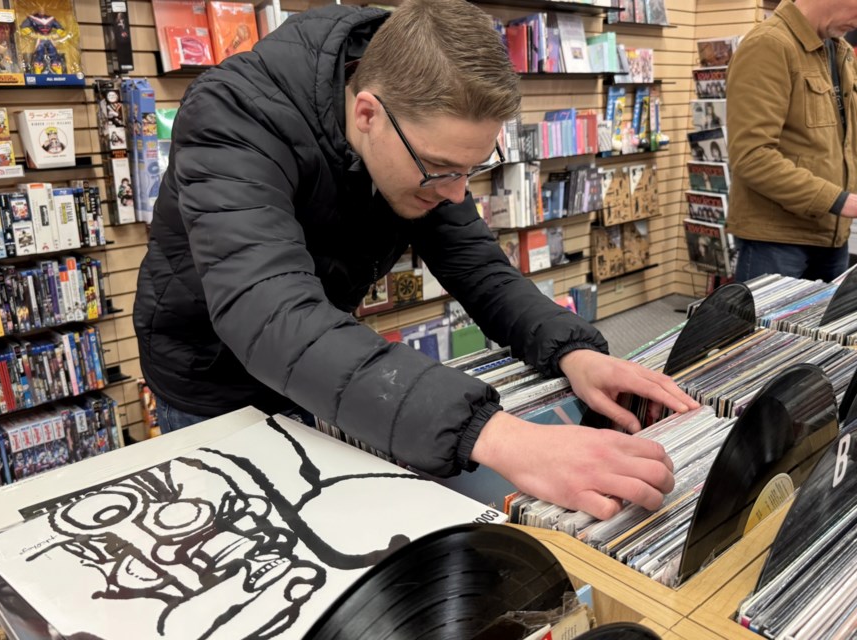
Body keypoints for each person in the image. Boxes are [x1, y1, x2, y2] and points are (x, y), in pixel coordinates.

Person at [134, 0, 699, 521]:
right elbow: (269, 314)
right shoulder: (232, 115)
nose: (456, 194)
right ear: (367, 114)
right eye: (441, 170)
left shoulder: (417, 131)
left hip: (326, 359)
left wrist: (571, 349)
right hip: (211, 376)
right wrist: (500, 437)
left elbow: (476, 265)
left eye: (469, 170)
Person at [727, 0, 857, 282]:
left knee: (824, 327)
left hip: (832, 235)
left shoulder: (840, 50)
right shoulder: (769, 45)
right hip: (776, 239)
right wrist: (838, 201)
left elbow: (843, 143)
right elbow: (751, 155)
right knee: (761, 327)